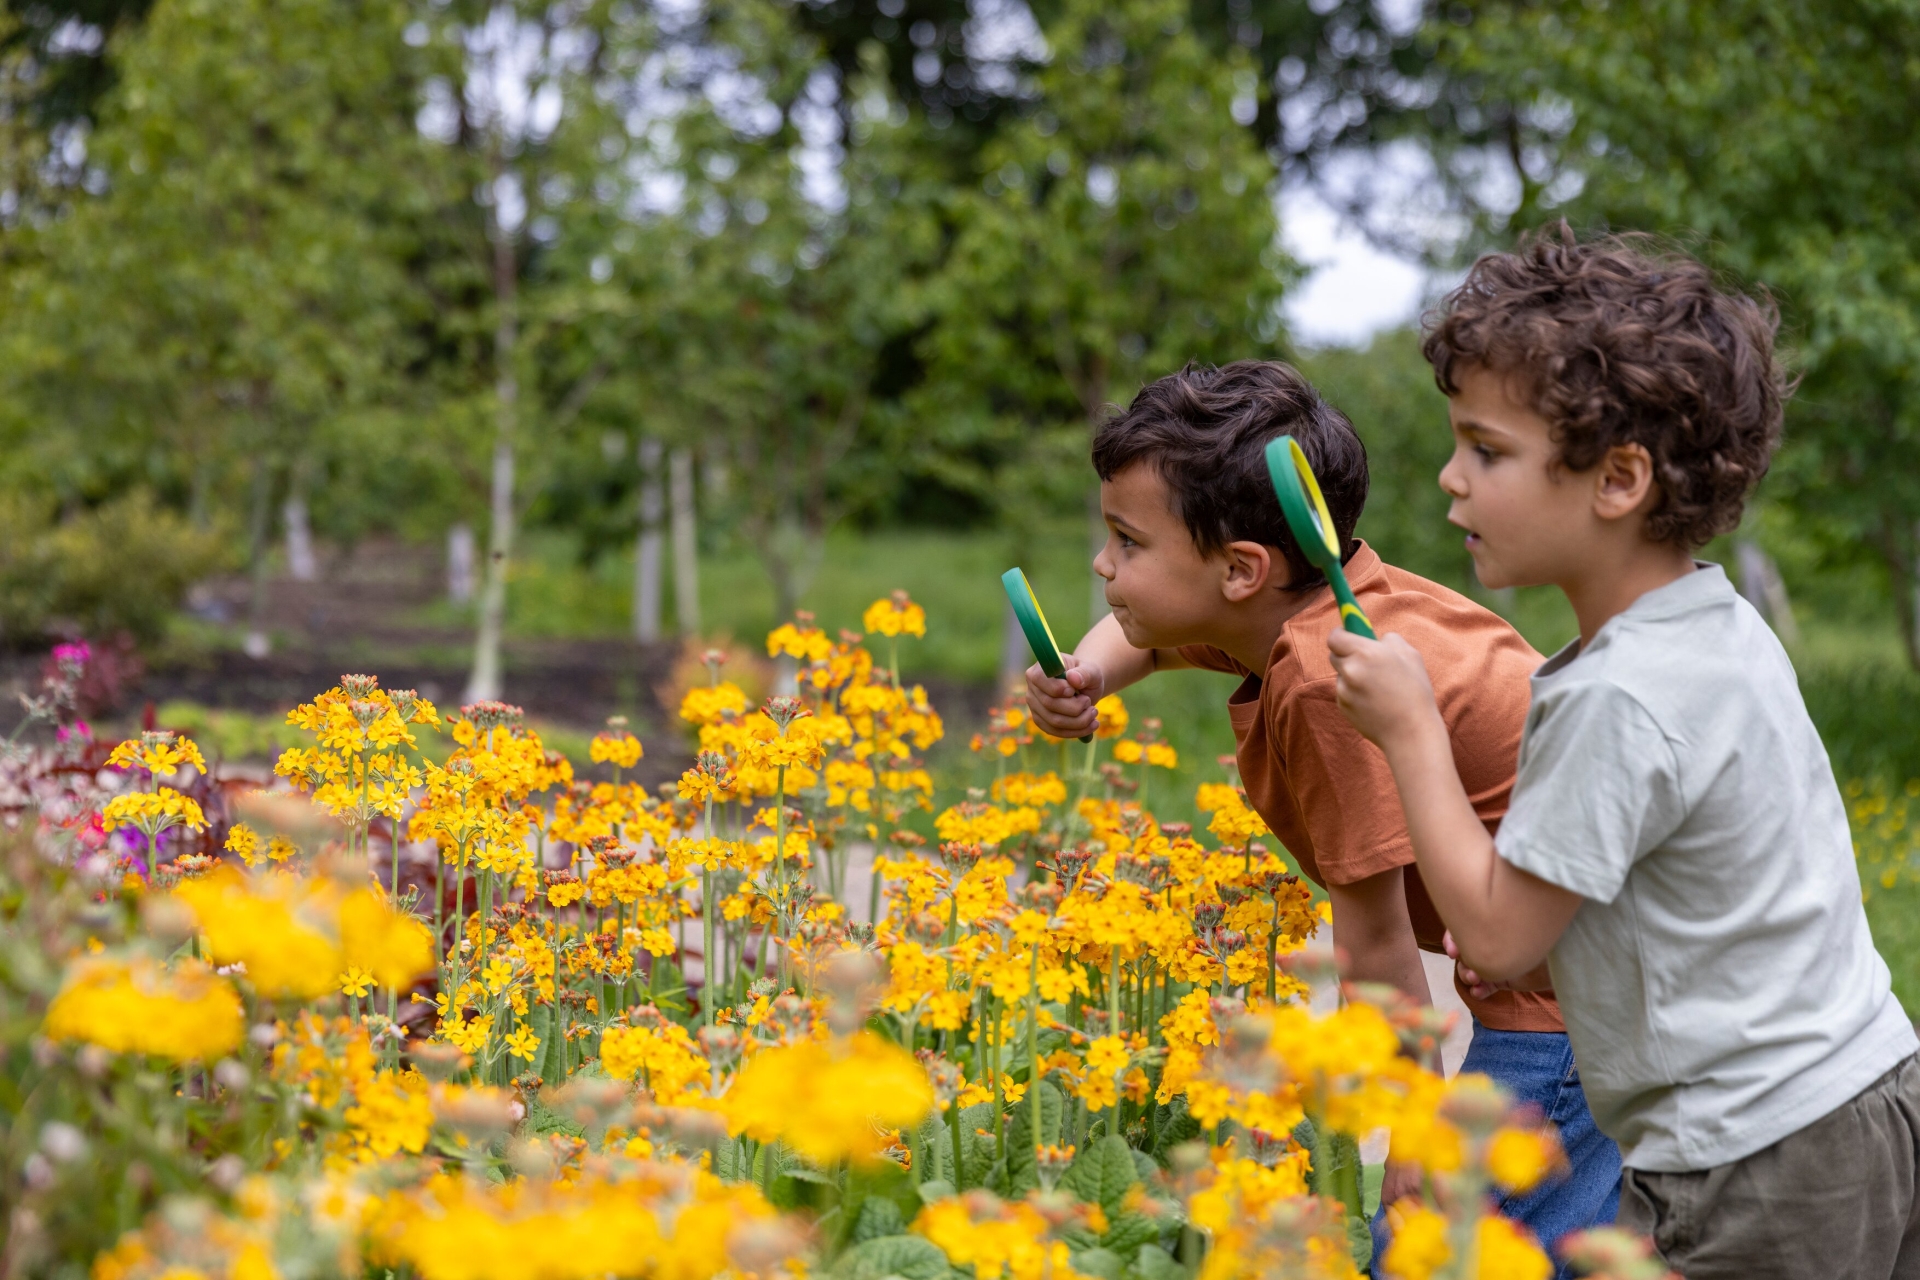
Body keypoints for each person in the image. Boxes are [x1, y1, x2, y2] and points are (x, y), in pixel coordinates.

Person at [1328, 230, 1920, 1279]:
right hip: (1857, 1091)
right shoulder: (1714, 625)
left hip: (1758, 1154)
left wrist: (1412, 730)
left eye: (1487, 449)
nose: (1449, 477)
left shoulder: (1619, 698)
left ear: (1619, 478)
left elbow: (1501, 936)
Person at [1024, 359, 1621, 1266]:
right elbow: (1149, 640)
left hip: (1569, 1009)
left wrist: (1411, 1136)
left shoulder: (1320, 682)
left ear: (1241, 569)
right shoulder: (1313, 604)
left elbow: (1376, 946)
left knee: (1424, 1249)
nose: (1104, 565)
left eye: (1127, 542)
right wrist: (1090, 674)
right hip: (1588, 978)